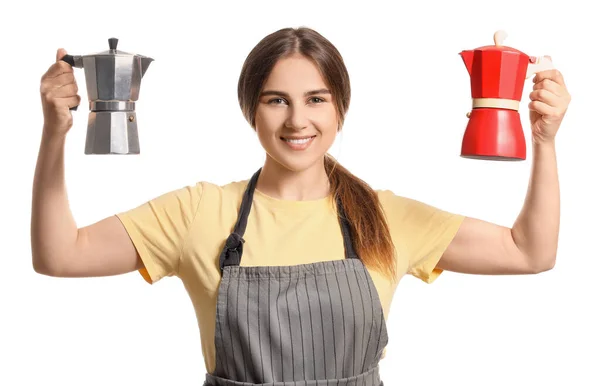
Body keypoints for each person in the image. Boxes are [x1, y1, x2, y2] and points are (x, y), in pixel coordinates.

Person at [31, 27, 571, 385]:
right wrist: (55, 132)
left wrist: (543, 141)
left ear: (340, 108)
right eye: (275, 100)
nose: (296, 121)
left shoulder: (385, 218)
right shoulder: (198, 213)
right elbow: (60, 255)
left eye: (316, 99)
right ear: (251, 110)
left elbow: (531, 252)